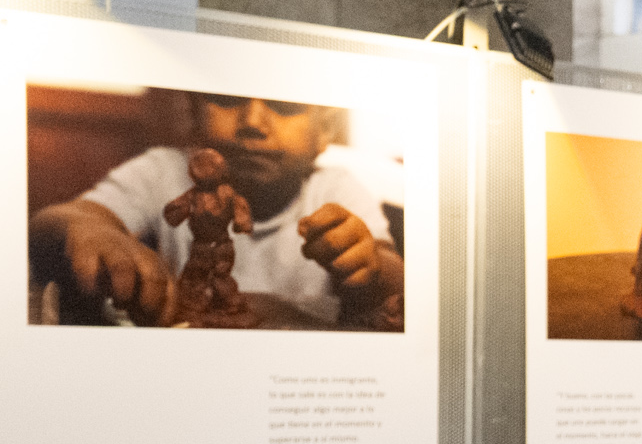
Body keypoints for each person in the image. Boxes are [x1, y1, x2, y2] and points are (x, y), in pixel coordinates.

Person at [30, 92, 401, 327]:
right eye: (226, 100)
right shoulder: (164, 170)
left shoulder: (335, 189)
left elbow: (396, 278)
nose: (252, 123)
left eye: (285, 106)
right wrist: (96, 231)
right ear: (193, 114)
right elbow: (57, 220)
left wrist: (371, 265)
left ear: (325, 130)